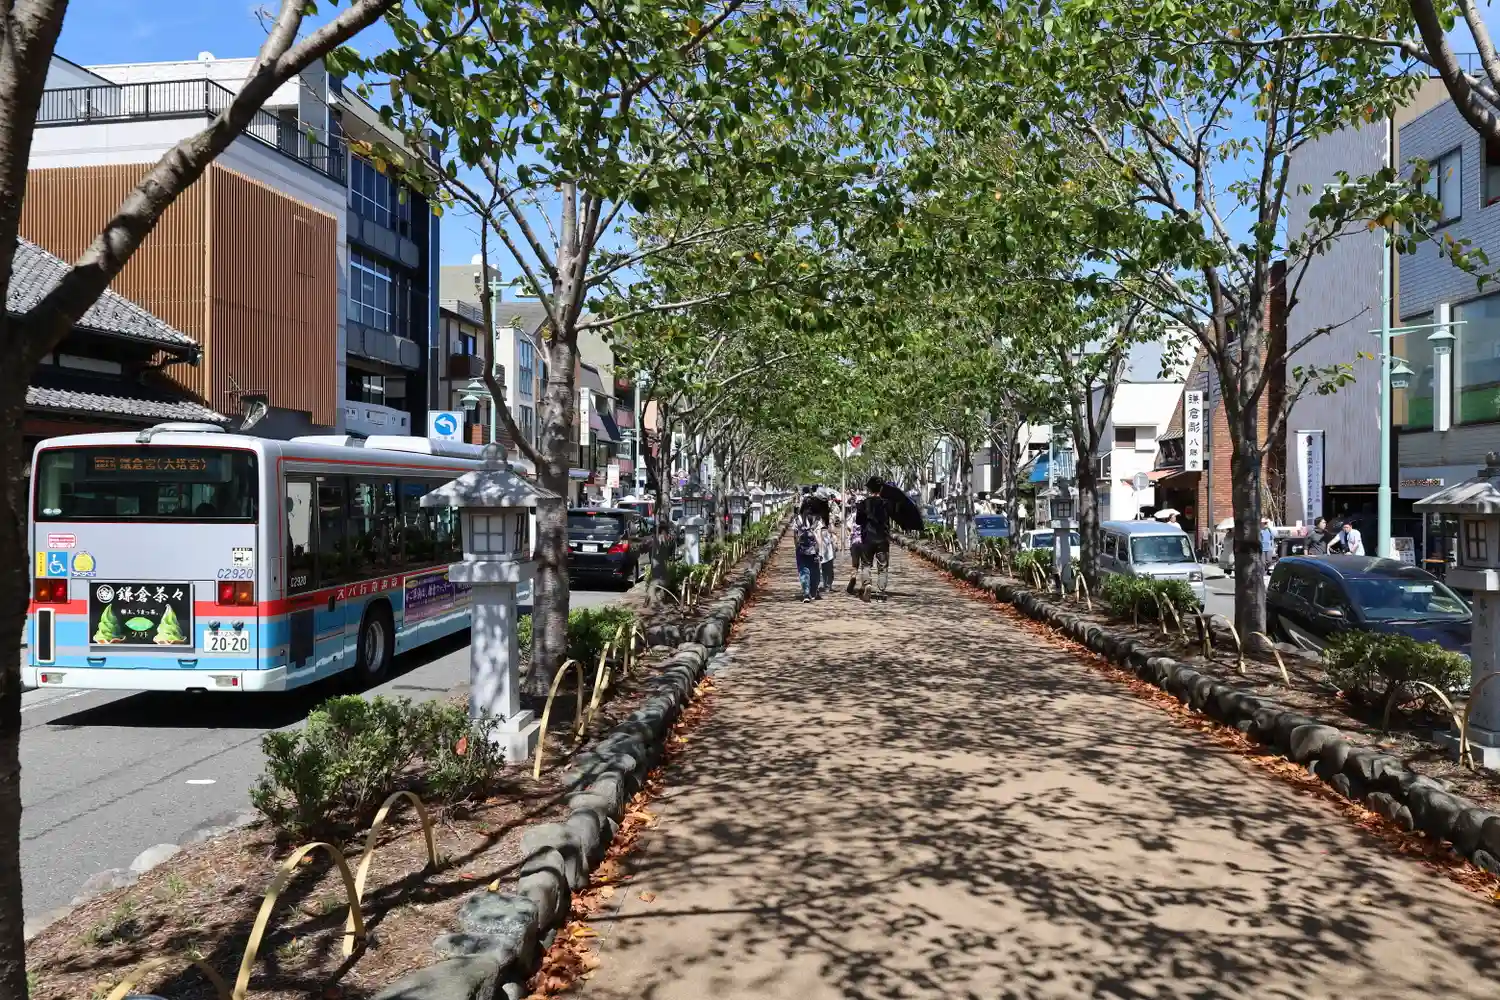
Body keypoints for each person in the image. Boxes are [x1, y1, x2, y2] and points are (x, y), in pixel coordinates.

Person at [855, 476, 892, 601]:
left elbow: (858, 521)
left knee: (866, 565)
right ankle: (881, 592)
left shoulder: (863, 503)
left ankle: (867, 584)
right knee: (883, 567)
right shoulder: (887, 503)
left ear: (869, 489)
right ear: (881, 489)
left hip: (867, 539)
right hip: (883, 539)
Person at [792, 499, 823, 602]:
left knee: (803, 571)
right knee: (814, 571)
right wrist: (820, 551)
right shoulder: (816, 520)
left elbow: (795, 536)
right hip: (814, 550)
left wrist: (797, 547)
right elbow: (819, 537)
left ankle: (806, 593)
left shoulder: (797, 520)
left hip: (801, 550)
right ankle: (813, 592)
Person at [845, 504, 864, 595]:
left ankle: (853, 579)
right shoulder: (866, 516)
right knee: (865, 565)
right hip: (864, 543)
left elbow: (848, 528)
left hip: (854, 543)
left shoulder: (851, 516)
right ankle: (864, 585)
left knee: (855, 565)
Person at [818, 516, 839, 595]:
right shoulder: (817, 522)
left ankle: (828, 585)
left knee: (828, 568)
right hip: (823, 549)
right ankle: (826, 585)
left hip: (828, 549)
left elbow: (833, 531)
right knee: (825, 569)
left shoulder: (828, 520)